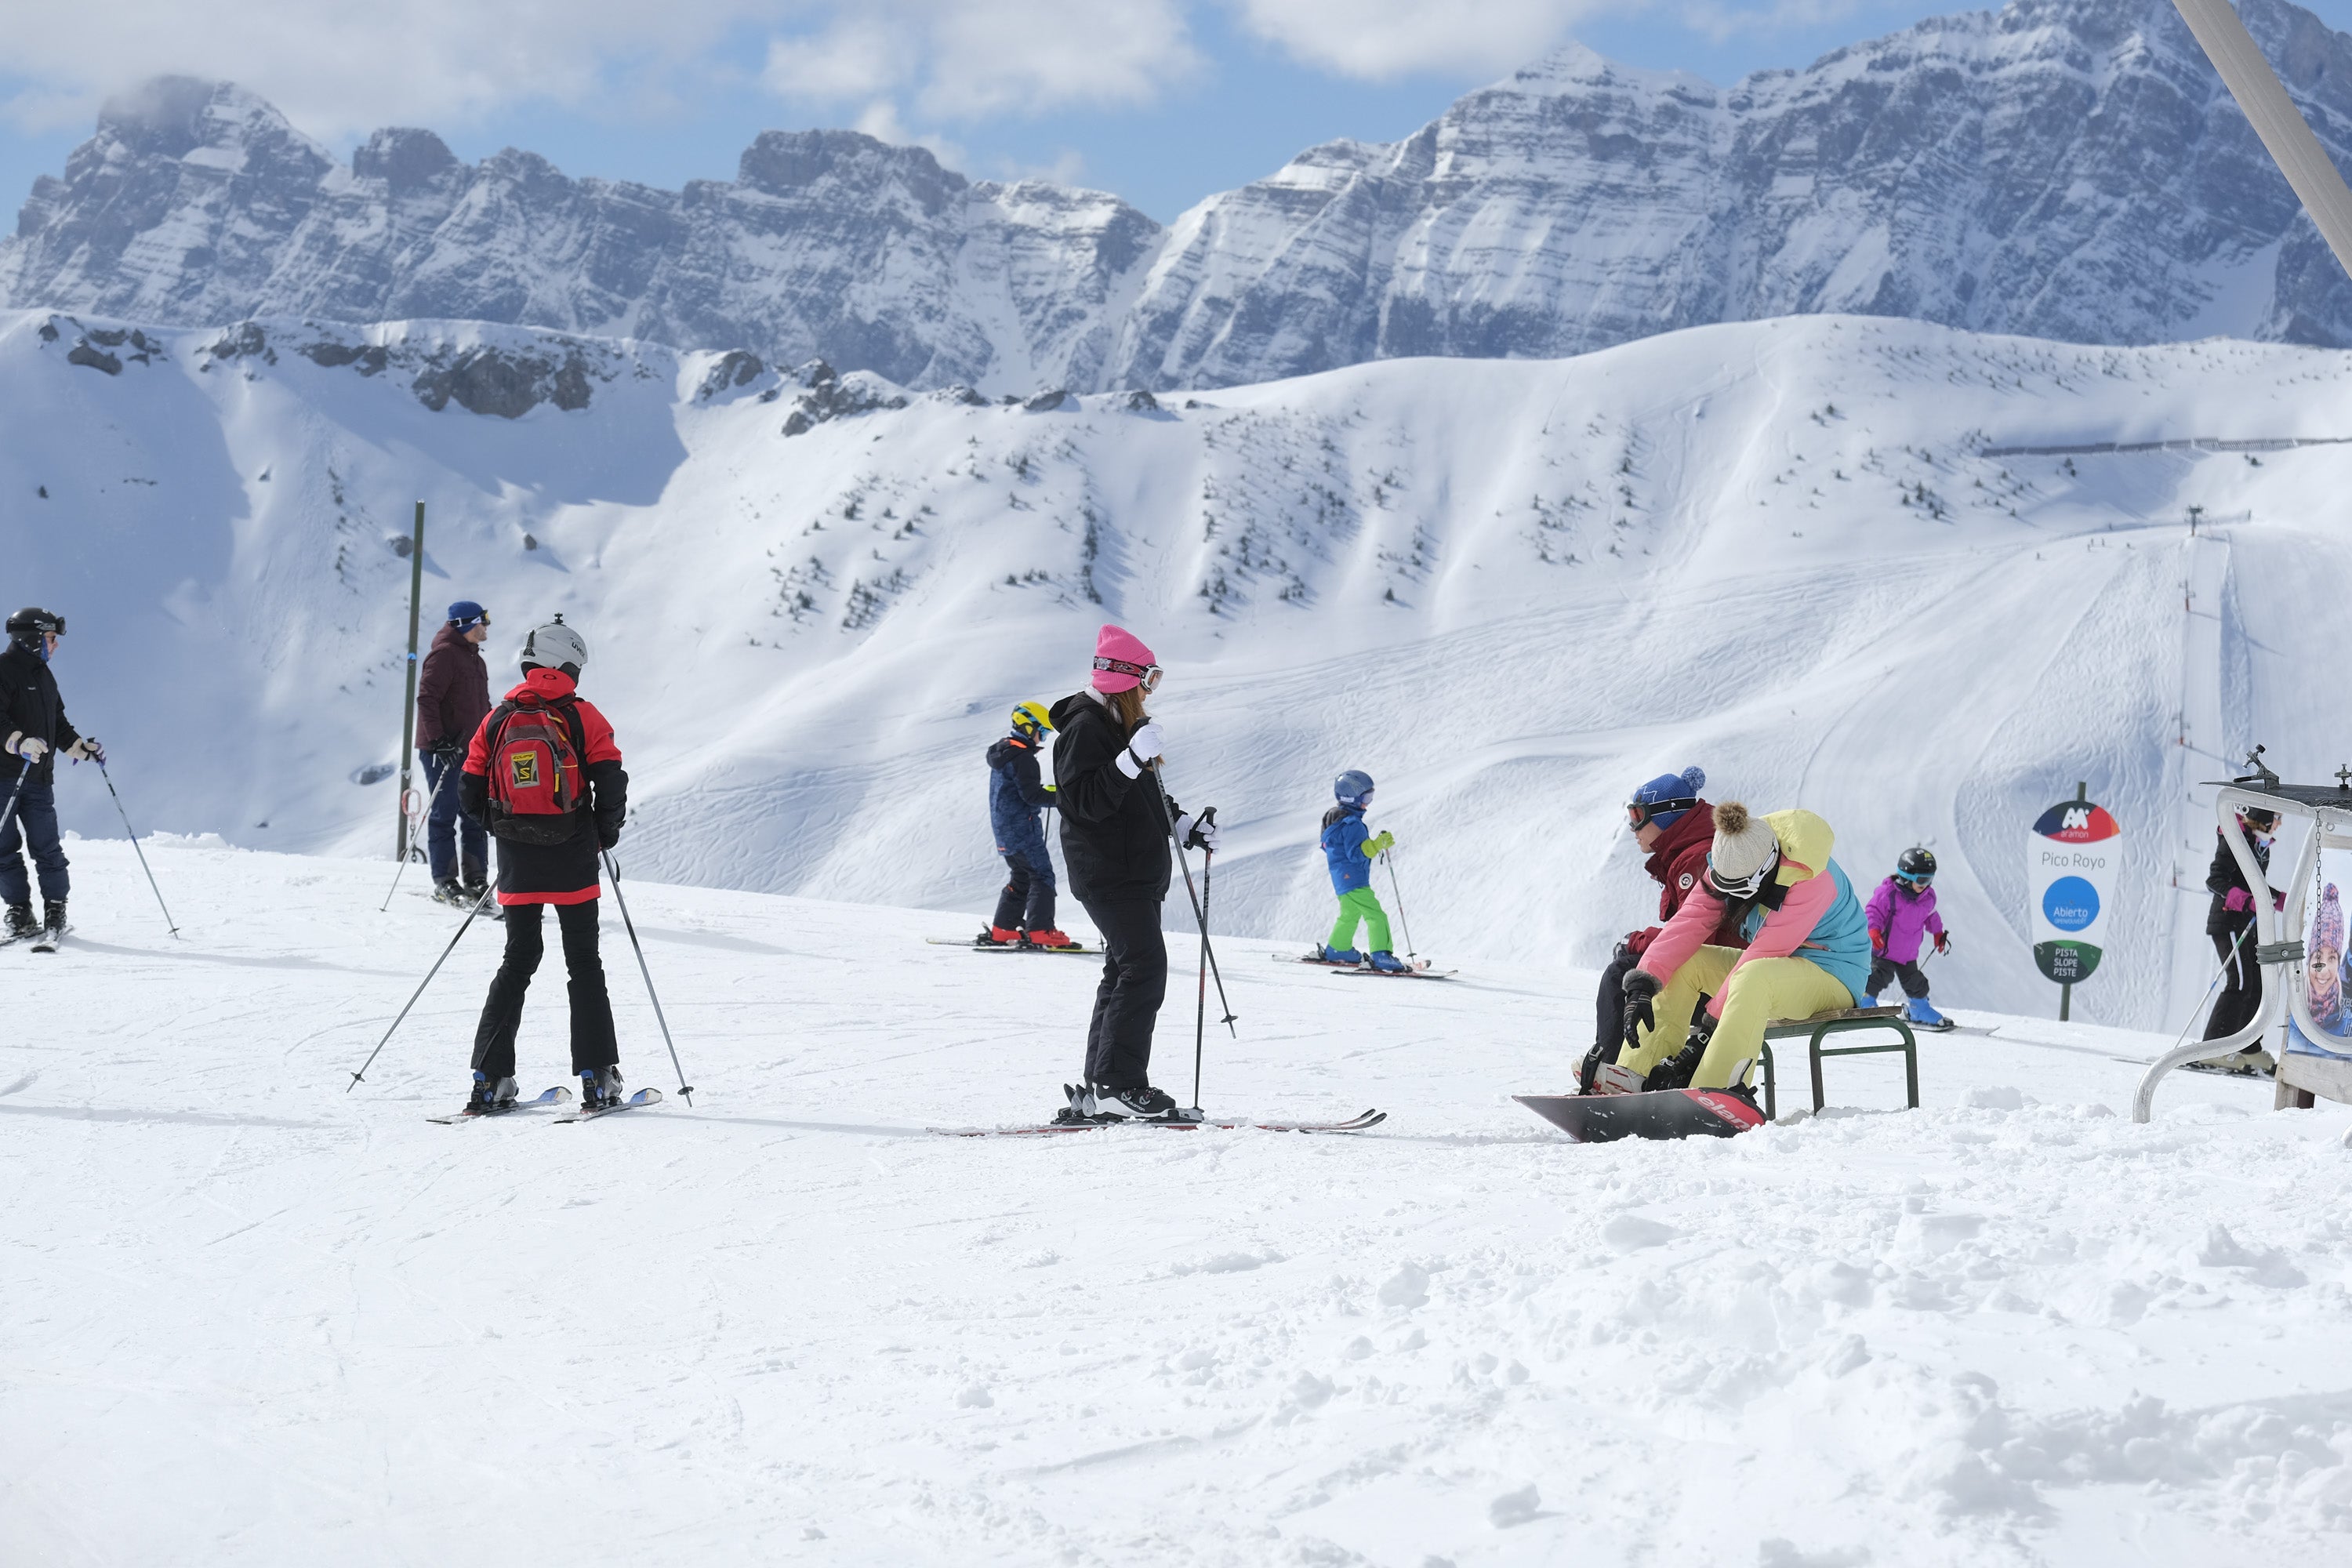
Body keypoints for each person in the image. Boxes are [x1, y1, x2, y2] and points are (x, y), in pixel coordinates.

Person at [456, 617, 631, 1111]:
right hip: (573, 855)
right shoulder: (583, 715)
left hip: (517, 862)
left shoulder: (496, 719)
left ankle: (490, 1081)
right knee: (584, 964)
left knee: (517, 961)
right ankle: (598, 1080)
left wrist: (506, 833)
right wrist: (602, 832)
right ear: (567, 664)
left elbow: (469, 792)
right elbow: (611, 781)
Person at [1047, 624, 1217, 1122]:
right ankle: (1120, 1084)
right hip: (1110, 875)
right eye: (1147, 678)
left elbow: (1140, 795)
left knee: (1123, 971)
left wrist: (1184, 824)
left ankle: (1100, 1085)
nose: (1149, 690)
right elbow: (1081, 803)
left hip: (1129, 873)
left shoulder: (1115, 727)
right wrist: (1130, 759)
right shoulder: (1084, 728)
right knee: (1144, 970)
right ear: (1122, 677)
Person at [1613, 801, 1871, 1096]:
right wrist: (1643, 984)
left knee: (1753, 978)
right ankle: (1636, 1072)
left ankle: (1717, 1089)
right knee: (1688, 963)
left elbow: (1766, 952)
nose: (1732, 897)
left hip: (1832, 975)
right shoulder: (1735, 853)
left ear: (1763, 872)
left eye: (1741, 890)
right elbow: (1689, 921)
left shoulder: (1812, 878)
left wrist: (1705, 1035)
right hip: (1778, 968)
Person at [1578, 767, 1744, 1094]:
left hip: (1721, 979)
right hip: (1719, 971)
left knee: (1622, 973)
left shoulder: (1697, 858)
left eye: (1638, 815)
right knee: (1634, 969)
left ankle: (1614, 1073)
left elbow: (1697, 938)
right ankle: (1623, 1072)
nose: (1632, 827)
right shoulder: (1691, 853)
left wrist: (1636, 943)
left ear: (1670, 815)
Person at [2, 608, 100, 946]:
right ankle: (19, 911)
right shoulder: (2, 670)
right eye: (51, 639)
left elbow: (56, 722)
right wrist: (17, 741)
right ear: (31, 639)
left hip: (39, 780)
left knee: (47, 848)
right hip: (4, 779)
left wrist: (78, 747)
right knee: (4, 849)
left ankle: (56, 908)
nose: (55, 646)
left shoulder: (45, 676)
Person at [2194, 805, 2284, 1075]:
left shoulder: (2256, 843)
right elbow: (2215, 879)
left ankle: (2248, 1048)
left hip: (2247, 922)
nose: (2279, 824)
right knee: (2240, 983)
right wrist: (2245, 901)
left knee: (2257, 986)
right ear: (2264, 818)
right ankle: (2214, 1049)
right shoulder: (2234, 839)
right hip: (2229, 921)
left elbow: (2253, 884)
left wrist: (2281, 901)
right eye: (2277, 818)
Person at [416, 600, 494, 906]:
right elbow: (427, 699)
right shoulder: (445, 655)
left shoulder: (475, 660)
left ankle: (476, 879)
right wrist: (439, 741)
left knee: (475, 814)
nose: (486, 627)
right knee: (444, 814)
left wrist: (491, 737)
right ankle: (445, 881)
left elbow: (482, 705)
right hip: (443, 751)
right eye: (482, 622)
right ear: (465, 624)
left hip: (471, 749)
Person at [979, 700, 1073, 949]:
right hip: (1023, 829)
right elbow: (1031, 796)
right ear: (1026, 726)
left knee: (1022, 877)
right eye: (1040, 731)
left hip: (1005, 831)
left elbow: (1021, 791)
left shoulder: (1004, 752)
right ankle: (1041, 931)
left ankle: (1004, 929)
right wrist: (1063, 797)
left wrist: (1050, 792)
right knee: (1042, 876)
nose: (1042, 738)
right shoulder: (1023, 758)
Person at [1318, 769, 1406, 971]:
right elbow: (1357, 854)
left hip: (1341, 877)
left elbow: (1331, 848)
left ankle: (1338, 949)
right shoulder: (1352, 824)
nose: (1369, 802)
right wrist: (1378, 844)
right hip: (1353, 879)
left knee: (1350, 914)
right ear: (1351, 798)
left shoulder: (1334, 819)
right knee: (1376, 916)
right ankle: (1381, 955)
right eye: (1366, 797)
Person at [1864, 848, 1955, 1029]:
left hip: (1908, 953)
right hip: (1885, 950)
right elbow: (1873, 912)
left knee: (1915, 982)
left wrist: (1938, 933)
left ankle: (1918, 1009)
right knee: (1878, 977)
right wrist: (1873, 930)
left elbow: (1931, 916)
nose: (1926, 885)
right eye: (1922, 880)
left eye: (1930, 879)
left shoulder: (1927, 897)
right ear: (1906, 876)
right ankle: (1864, 1003)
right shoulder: (1889, 894)